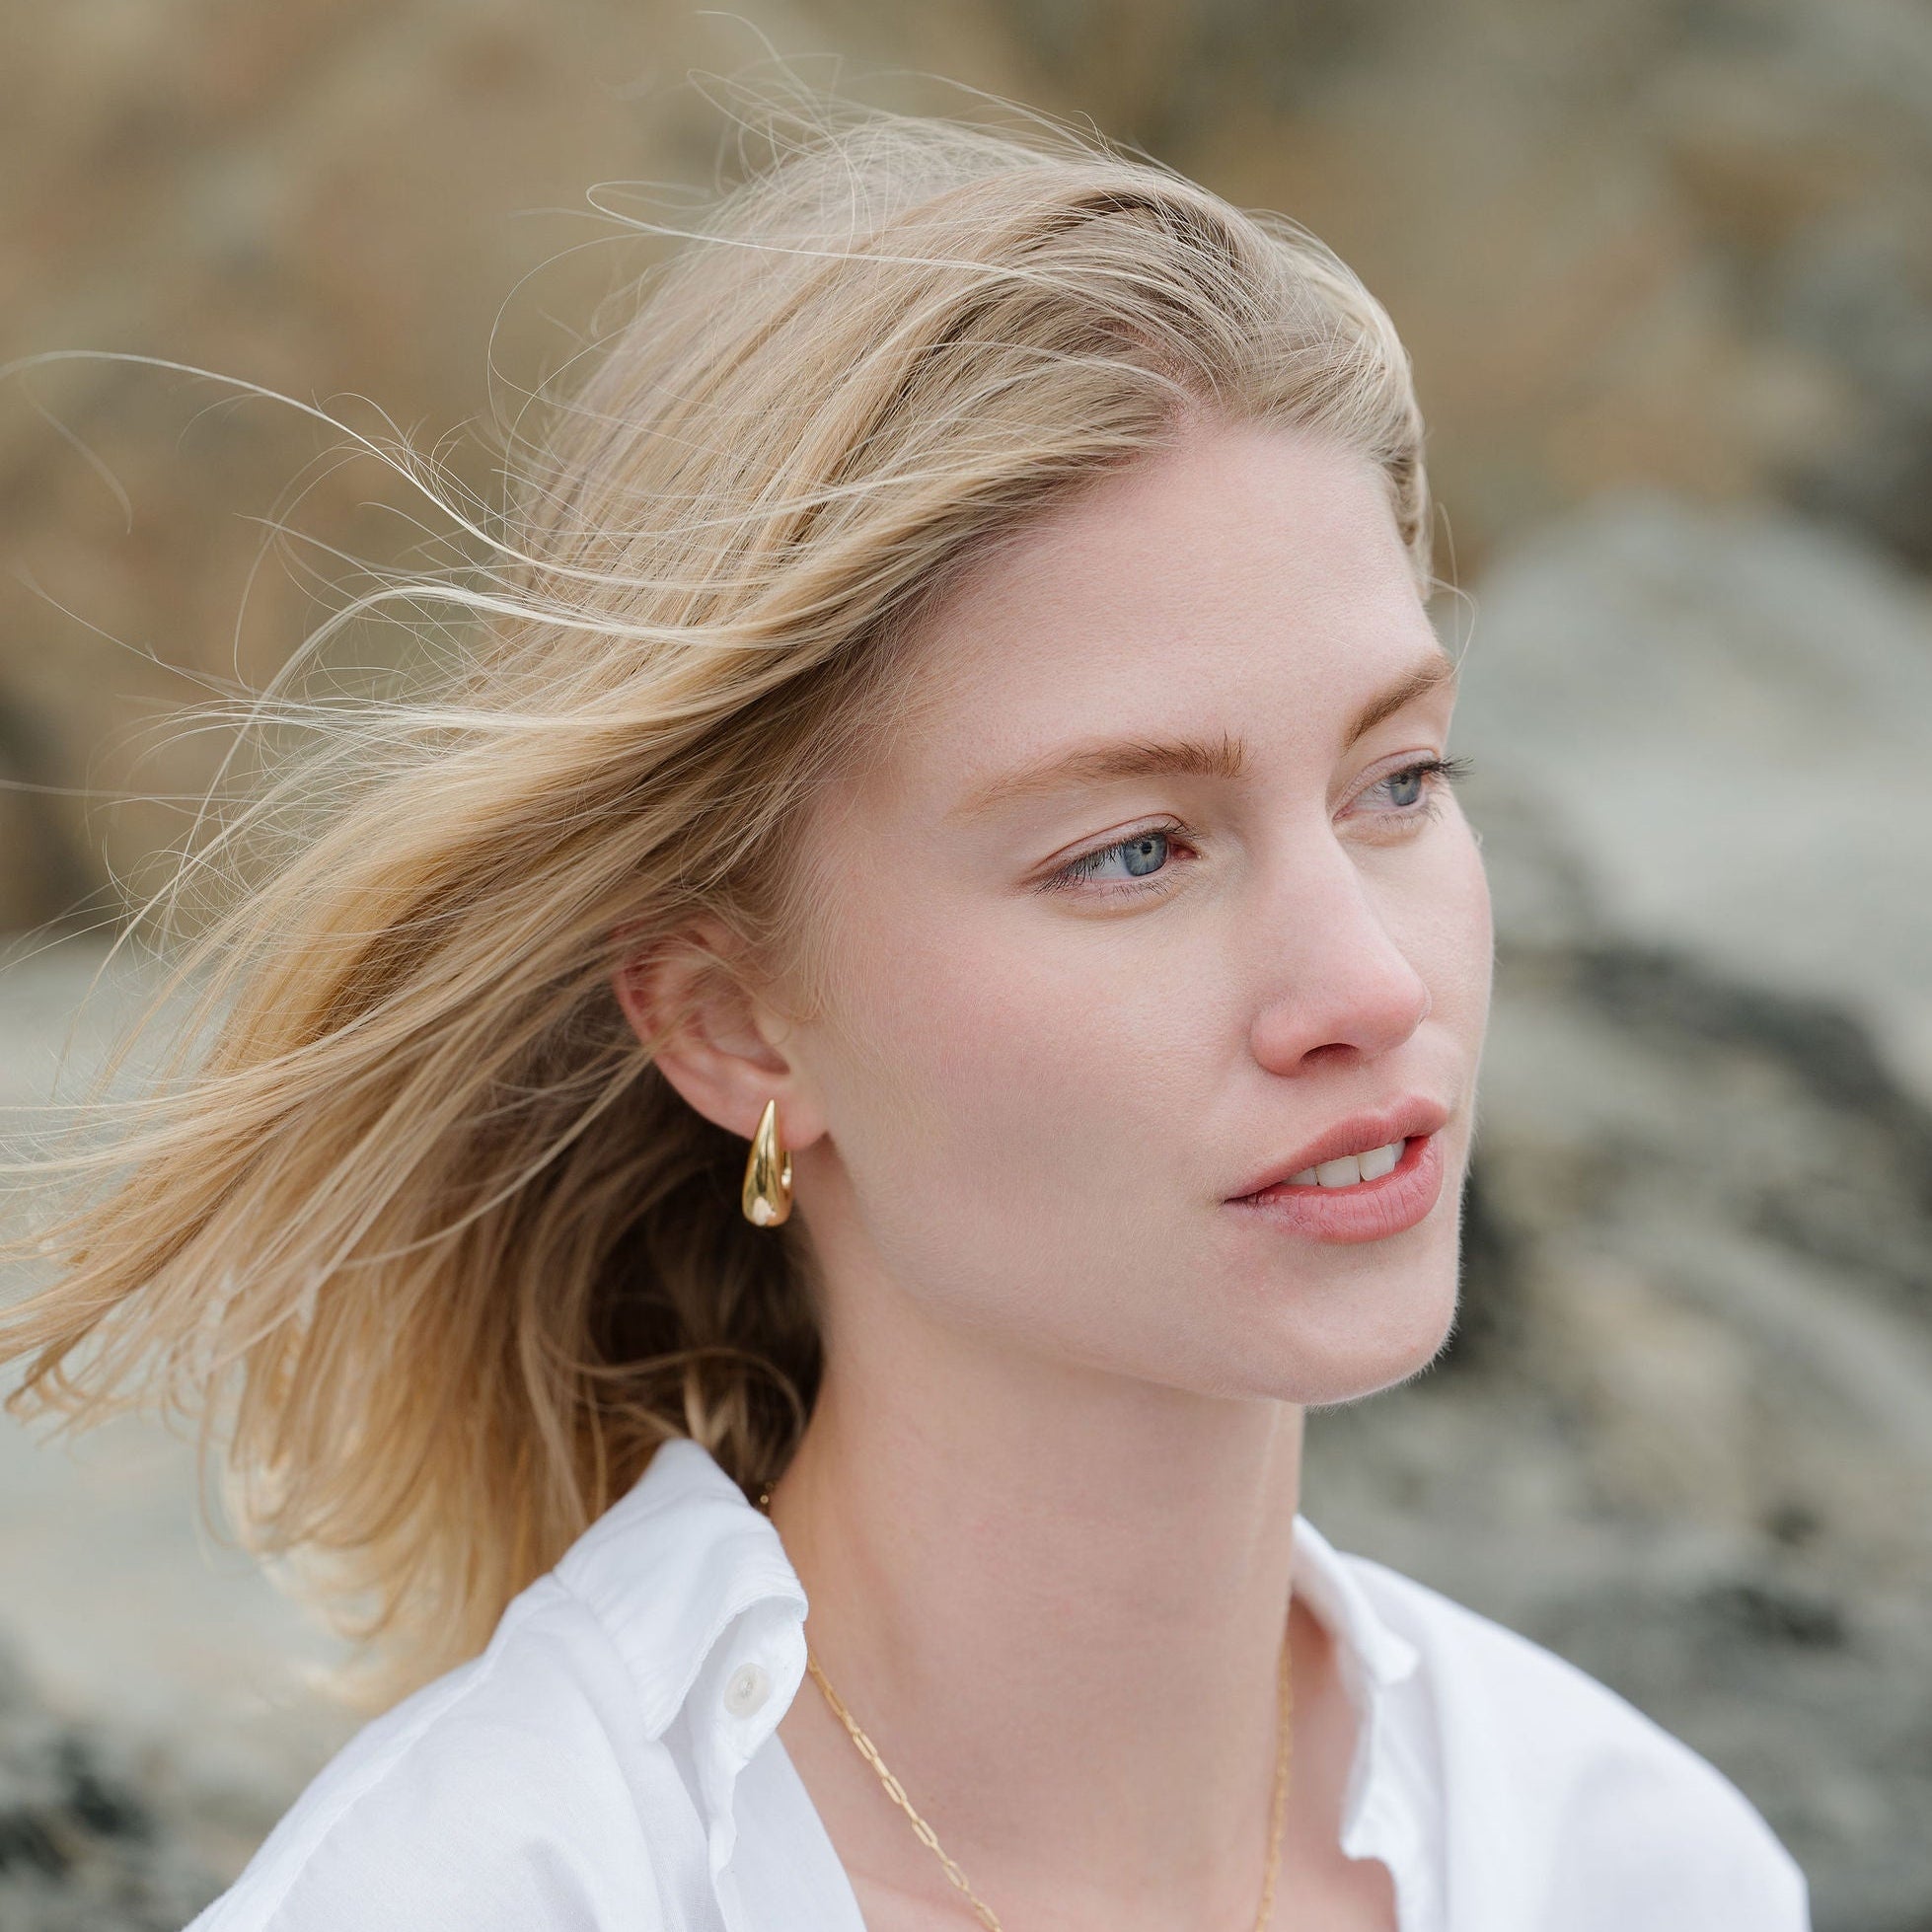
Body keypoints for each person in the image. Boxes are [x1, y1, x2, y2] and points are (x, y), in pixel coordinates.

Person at [0, 78, 1809, 1932]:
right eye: (1131, 851)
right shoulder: (492, 1890)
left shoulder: (1625, 1860)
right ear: (732, 1025)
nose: (1363, 984)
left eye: (1398, 782)